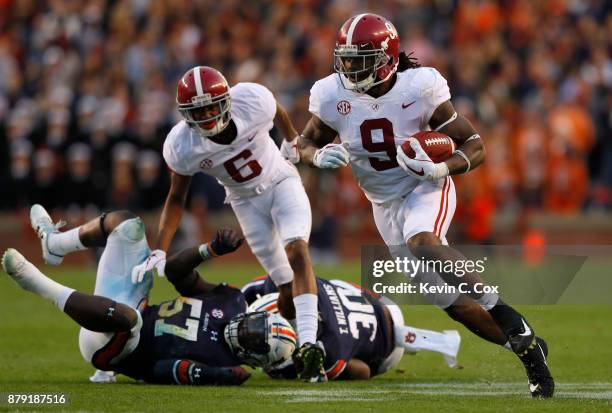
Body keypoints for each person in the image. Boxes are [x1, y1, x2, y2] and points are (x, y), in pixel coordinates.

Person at [292, 13, 553, 397]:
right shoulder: (331, 94)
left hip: (423, 186)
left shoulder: (421, 86)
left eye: (358, 59)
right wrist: (314, 157)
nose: (349, 67)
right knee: (454, 306)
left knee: (423, 242)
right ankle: (529, 349)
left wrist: (439, 169)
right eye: (345, 58)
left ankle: (509, 316)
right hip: (383, 204)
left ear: (386, 57)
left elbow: (474, 144)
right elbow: (304, 142)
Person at [130, 66, 326, 382]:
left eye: (211, 105)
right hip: (244, 202)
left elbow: (276, 110)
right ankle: (300, 339)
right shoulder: (182, 145)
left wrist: (291, 141)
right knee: (285, 289)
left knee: (298, 251)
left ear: (227, 99)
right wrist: (160, 249)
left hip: (280, 180)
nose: (207, 115)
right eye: (198, 110)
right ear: (185, 114)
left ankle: (309, 346)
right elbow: (176, 198)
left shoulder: (250, 99)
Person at [1, 204, 295, 385]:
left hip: (112, 348)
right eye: (255, 323)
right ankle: (55, 244)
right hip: (133, 305)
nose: (245, 329)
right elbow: (176, 272)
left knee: (130, 320)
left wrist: (214, 376)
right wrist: (211, 249)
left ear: (255, 360)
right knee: (128, 224)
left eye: (253, 338)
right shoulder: (232, 301)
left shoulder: (223, 364)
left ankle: (34, 282)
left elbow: (160, 369)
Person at [242, 276, 461, 380]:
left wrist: (288, 369)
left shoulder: (327, 349)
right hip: (383, 305)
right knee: (325, 282)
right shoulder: (287, 284)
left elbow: (363, 371)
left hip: (388, 351)